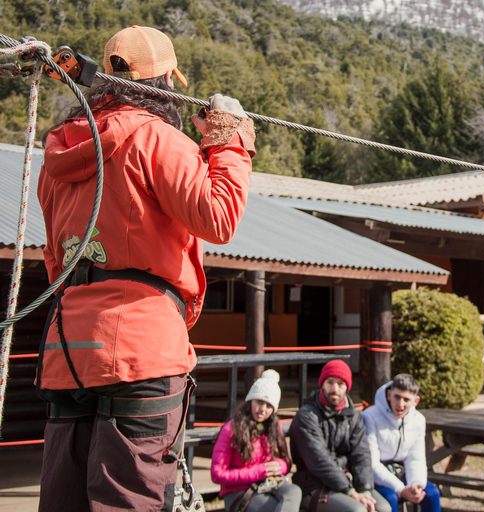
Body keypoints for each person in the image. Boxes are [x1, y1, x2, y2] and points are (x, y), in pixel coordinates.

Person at [36, 25, 255, 511]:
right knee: (127, 499)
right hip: (141, 347)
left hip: (68, 348)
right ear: (165, 84)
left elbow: (56, 260)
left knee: (63, 498)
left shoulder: (59, 153)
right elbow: (218, 218)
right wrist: (230, 140)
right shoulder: (158, 138)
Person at [290, 360, 390, 512]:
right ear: (322, 384)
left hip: (349, 480)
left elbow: (361, 455)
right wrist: (350, 492)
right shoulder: (307, 416)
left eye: (341, 384)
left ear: (347, 387)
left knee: (383, 508)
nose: (335, 389)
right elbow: (319, 460)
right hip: (314, 483)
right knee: (357, 510)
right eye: (330, 382)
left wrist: (365, 490)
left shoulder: (353, 416)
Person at [211, 370, 301, 512]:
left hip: (269, 484)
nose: (262, 409)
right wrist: (260, 471)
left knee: (294, 491)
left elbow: (286, 462)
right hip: (238, 492)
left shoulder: (275, 427)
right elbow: (217, 474)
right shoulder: (232, 429)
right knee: (273, 508)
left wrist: (279, 466)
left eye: (269, 406)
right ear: (251, 400)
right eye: (259, 402)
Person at [362, 374, 441, 512]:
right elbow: (371, 463)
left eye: (406, 399)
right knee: (390, 498)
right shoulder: (370, 416)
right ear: (388, 394)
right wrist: (401, 489)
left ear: (415, 401)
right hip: (377, 477)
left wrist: (416, 484)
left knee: (432, 494)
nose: (400, 404)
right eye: (397, 397)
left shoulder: (418, 420)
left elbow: (416, 458)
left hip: (402, 473)